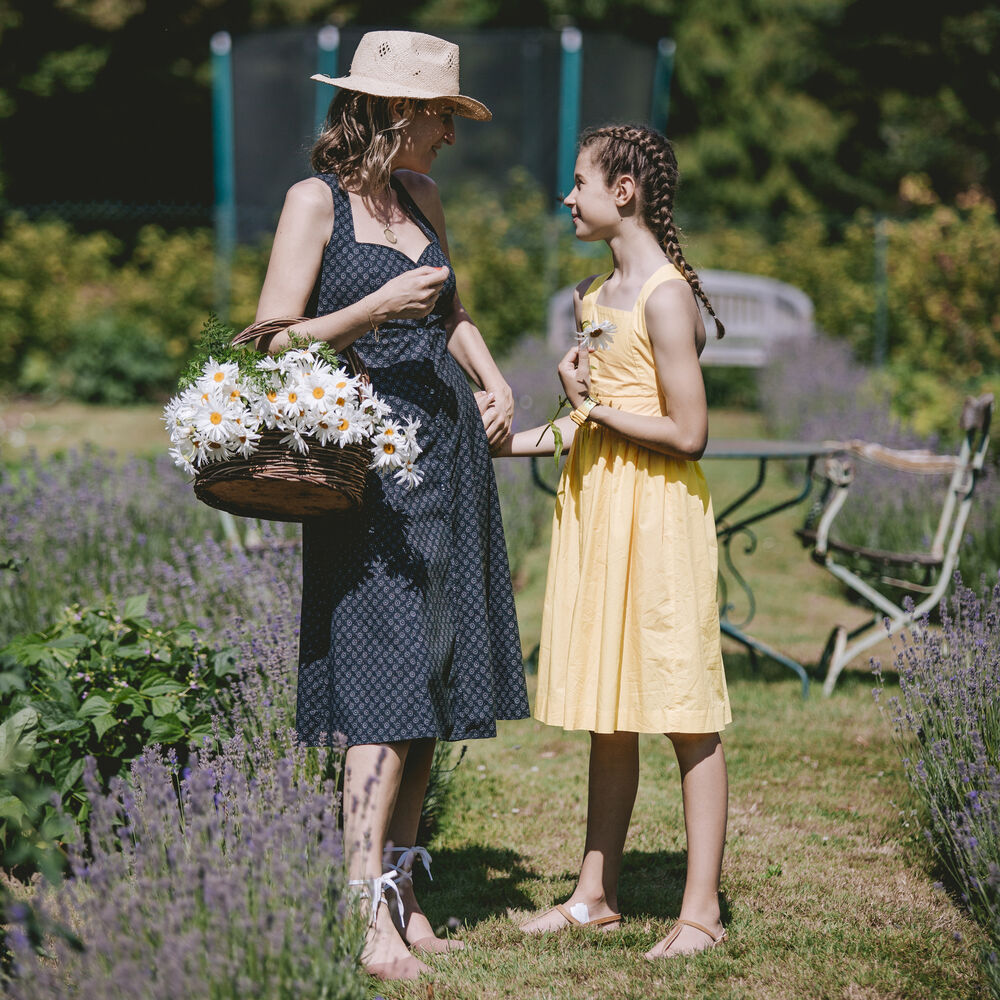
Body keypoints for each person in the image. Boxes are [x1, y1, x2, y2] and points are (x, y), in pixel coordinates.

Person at [253, 30, 529, 981]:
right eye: (441, 119)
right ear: (399, 114)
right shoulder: (312, 202)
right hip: (366, 468)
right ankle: (361, 915)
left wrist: (494, 382)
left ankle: (405, 892)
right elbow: (274, 342)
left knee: (432, 668)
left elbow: (452, 314)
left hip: (446, 454)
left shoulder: (423, 198)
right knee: (380, 675)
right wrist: (366, 314)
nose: (451, 138)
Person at [496, 124, 732, 959]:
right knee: (610, 709)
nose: (568, 196)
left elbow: (689, 430)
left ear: (623, 190)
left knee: (687, 712)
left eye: (579, 181)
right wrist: (505, 442)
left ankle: (700, 910)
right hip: (600, 509)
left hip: (660, 512)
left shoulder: (665, 297)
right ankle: (594, 895)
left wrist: (590, 409)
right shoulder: (593, 298)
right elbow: (579, 426)